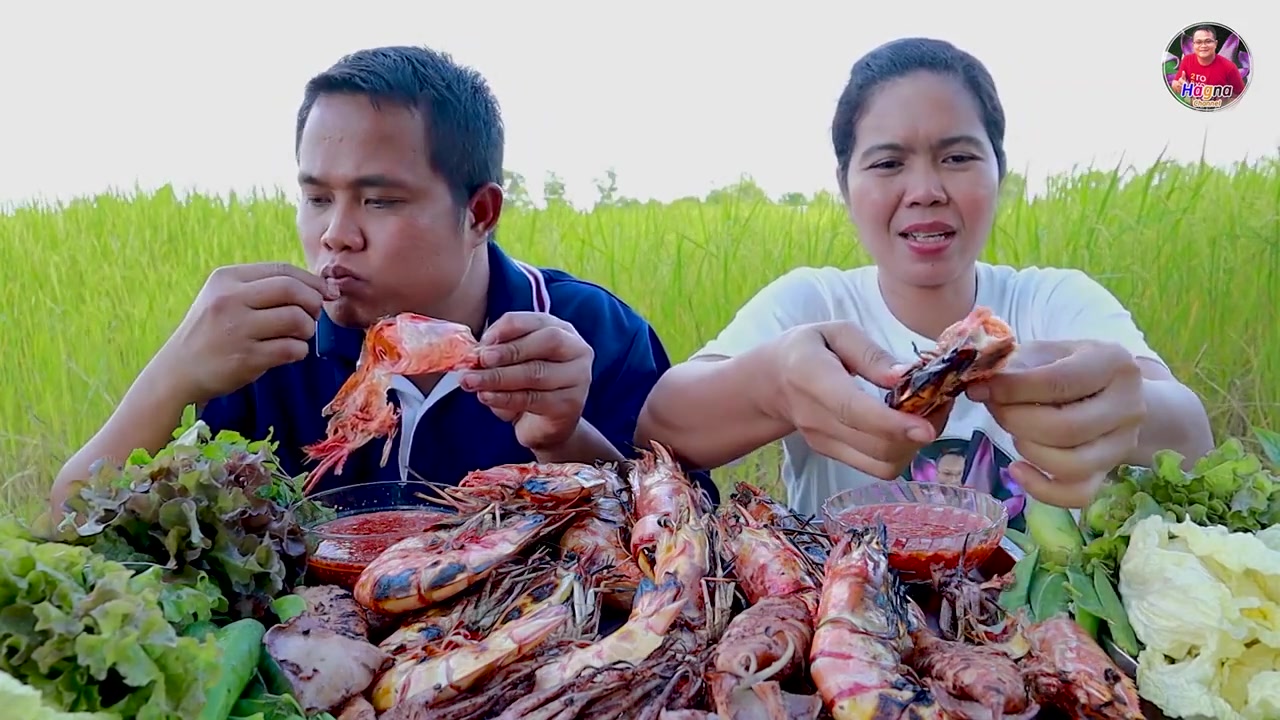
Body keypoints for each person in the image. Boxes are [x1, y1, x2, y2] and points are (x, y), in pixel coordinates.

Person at [51, 45, 718, 510]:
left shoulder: (591, 334)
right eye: (317, 197)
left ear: (480, 211)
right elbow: (68, 527)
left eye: (379, 200)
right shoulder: (264, 346)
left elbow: (699, 546)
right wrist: (172, 376)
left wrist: (566, 440)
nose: (337, 233)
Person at [636, 37, 1215, 520]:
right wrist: (771, 384)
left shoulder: (1055, 300)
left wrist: (1127, 410)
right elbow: (662, 427)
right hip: (848, 624)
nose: (925, 190)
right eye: (888, 163)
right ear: (845, 185)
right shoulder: (812, 302)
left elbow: (1191, 434)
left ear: (999, 171)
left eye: (958, 157)